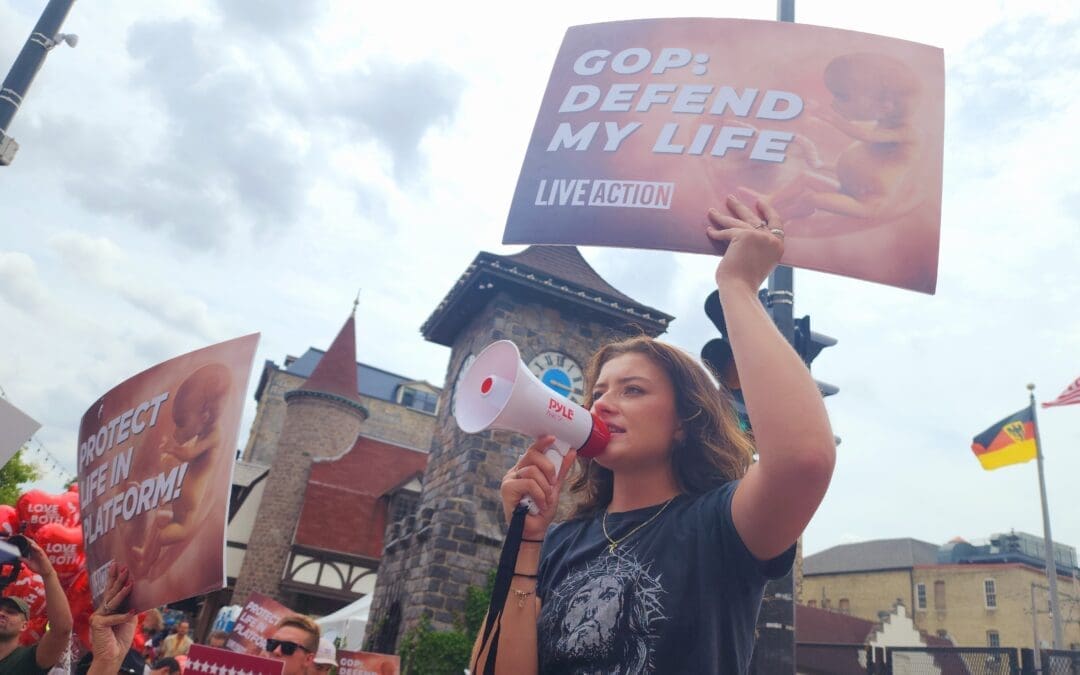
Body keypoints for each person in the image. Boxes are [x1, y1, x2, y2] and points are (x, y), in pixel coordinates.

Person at [470, 195, 836, 673]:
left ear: (685, 422)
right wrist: (525, 547)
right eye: (597, 392)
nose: (601, 403)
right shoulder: (557, 542)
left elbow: (804, 459)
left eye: (633, 390)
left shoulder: (721, 525)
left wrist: (737, 285)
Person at [0, 537, 73, 674]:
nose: (2, 613)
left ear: (24, 625)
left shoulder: (28, 659)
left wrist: (48, 574)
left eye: (11, 612)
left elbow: (61, 630)